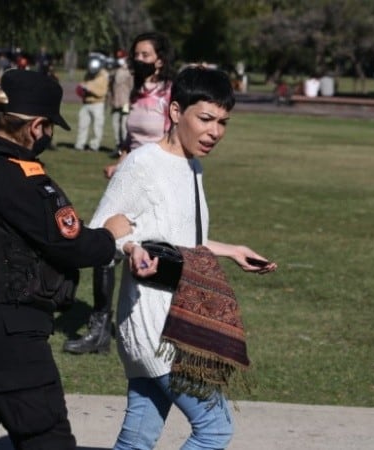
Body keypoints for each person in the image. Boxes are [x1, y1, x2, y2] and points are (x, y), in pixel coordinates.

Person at [0, 69, 126, 450]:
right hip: (8, 330)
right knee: (48, 439)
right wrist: (111, 236)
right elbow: (70, 242)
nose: (48, 136)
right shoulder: (16, 175)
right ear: (38, 127)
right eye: (50, 128)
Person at [89, 66, 278, 450]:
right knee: (215, 430)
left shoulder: (192, 166)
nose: (215, 132)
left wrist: (232, 251)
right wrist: (130, 247)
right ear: (176, 112)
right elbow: (100, 231)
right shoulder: (141, 165)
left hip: (179, 319)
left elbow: (179, 239)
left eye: (223, 122)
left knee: (138, 436)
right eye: (206, 119)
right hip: (156, 327)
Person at [64, 32, 175, 355]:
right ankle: (100, 331)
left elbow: (173, 143)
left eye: (145, 55)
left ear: (160, 60)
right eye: (136, 54)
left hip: (156, 184)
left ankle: (162, 332)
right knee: (104, 245)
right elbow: (131, 143)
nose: (137, 59)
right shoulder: (138, 92)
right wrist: (120, 162)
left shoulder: (170, 95)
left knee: (157, 253)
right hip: (129, 180)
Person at [74, 54, 109, 152]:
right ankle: (79, 145)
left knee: (97, 127)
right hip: (86, 103)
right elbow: (84, 85)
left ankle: (94, 146)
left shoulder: (104, 75)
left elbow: (102, 92)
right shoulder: (88, 74)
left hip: (98, 104)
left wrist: (89, 88)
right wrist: (82, 89)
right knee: (82, 125)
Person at [109, 49, 133, 151]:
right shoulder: (114, 71)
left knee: (124, 124)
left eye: (121, 57)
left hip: (126, 102)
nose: (119, 59)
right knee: (115, 123)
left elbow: (132, 87)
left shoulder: (129, 71)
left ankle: (124, 147)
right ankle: (118, 145)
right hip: (115, 101)